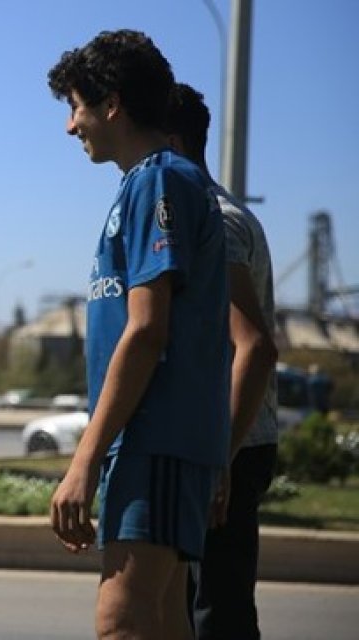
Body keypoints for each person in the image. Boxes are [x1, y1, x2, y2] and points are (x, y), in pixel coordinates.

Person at [46, 30, 231, 639]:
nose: (70, 127)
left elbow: (149, 331)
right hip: (153, 443)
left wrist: (84, 459)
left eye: (76, 107)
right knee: (164, 622)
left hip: (157, 439)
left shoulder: (162, 181)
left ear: (112, 105)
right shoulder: (143, 185)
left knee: (121, 620)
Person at [164, 82, 280, 640]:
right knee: (191, 610)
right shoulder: (200, 214)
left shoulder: (216, 218)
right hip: (216, 444)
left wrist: (219, 460)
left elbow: (254, 345)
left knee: (218, 616)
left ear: (170, 141)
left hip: (230, 446)